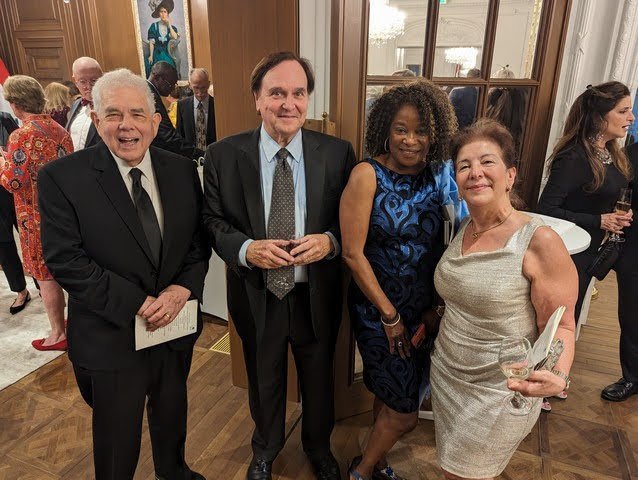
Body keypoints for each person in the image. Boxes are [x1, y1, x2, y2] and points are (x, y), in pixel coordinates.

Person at [38, 68, 209, 480]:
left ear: (156, 121)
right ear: (97, 120)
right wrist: (139, 303)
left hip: (173, 326)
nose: (126, 125)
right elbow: (66, 261)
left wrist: (182, 289)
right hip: (111, 333)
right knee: (117, 440)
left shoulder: (181, 169)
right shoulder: (61, 178)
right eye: (114, 114)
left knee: (172, 411)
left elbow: (197, 242)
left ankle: (174, 472)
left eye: (137, 114)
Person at [202, 51, 355, 480]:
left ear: (307, 99)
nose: (289, 104)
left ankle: (318, 447)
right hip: (257, 292)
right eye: (277, 93)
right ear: (257, 98)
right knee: (262, 377)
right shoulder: (222, 155)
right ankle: (266, 449)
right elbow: (211, 221)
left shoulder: (338, 154)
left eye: (298, 93)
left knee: (319, 378)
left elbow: (355, 222)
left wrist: (330, 242)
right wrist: (246, 249)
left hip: (316, 292)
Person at [431, 118, 577, 479]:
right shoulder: (467, 226)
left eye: (487, 162)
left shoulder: (539, 241)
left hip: (500, 389)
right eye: (464, 166)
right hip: (448, 375)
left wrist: (558, 375)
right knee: (453, 469)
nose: (475, 172)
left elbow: (563, 325)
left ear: (510, 175)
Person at [340, 79, 463, 480]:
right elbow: (352, 253)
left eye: (421, 131)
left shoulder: (439, 176)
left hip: (424, 310)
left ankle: (376, 461)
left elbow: (454, 236)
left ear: (435, 134)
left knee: (390, 393)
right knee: (407, 412)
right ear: (385, 130)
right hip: (377, 309)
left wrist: (437, 306)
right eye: (401, 129)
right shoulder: (367, 175)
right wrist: (389, 316)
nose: (410, 140)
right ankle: (362, 470)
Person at [538, 81, 635, 402]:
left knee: (570, 316)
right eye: (623, 111)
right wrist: (599, 220)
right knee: (558, 319)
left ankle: (555, 377)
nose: (631, 117)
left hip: (590, 251)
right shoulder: (573, 157)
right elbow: (545, 209)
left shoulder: (610, 153)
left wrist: (616, 215)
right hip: (568, 253)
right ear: (599, 116)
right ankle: (541, 386)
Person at [0, 75, 72, 350]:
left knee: (45, 276)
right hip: (63, 213)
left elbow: (14, 182)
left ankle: (58, 334)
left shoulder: (21, 135)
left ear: (16, 103)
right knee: (63, 270)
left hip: (34, 216)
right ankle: (70, 324)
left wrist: (2, 165)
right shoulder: (59, 130)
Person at [0, 112, 30, 314]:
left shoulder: (4, 119)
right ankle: (20, 290)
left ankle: (42, 286)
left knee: (28, 237)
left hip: (13, 190)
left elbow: (21, 154)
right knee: (3, 244)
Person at [147, 61, 204, 160]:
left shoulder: (148, 91)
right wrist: (201, 154)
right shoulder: (150, 98)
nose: (173, 88)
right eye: (171, 84)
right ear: (157, 78)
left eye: (175, 84)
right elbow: (168, 137)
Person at [66, 56, 103, 150]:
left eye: (94, 80)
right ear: (75, 81)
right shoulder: (75, 104)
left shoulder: (110, 106)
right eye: (83, 81)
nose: (88, 86)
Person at [177, 68, 216, 151]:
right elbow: (180, 135)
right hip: (191, 155)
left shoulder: (216, 105)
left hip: (213, 154)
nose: (200, 92)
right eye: (196, 88)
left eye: (203, 87)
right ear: (190, 85)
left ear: (208, 84)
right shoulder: (182, 105)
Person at [146, 0, 180, 76]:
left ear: (167, 13)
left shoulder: (172, 27)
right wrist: (151, 55)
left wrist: (169, 25)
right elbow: (151, 43)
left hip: (167, 53)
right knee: (153, 67)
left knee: (169, 65)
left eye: (165, 12)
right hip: (156, 53)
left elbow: (175, 37)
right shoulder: (154, 26)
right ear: (159, 13)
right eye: (161, 12)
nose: (163, 14)